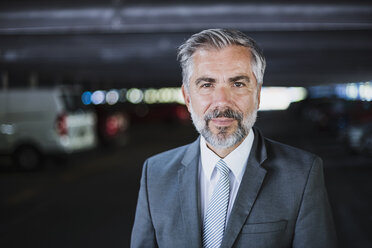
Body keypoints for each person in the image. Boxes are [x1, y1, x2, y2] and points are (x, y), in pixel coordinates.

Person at [131, 29, 337, 248]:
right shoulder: (155, 173)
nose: (222, 102)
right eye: (207, 85)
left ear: (257, 95)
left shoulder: (302, 174)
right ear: (188, 98)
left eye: (238, 84)